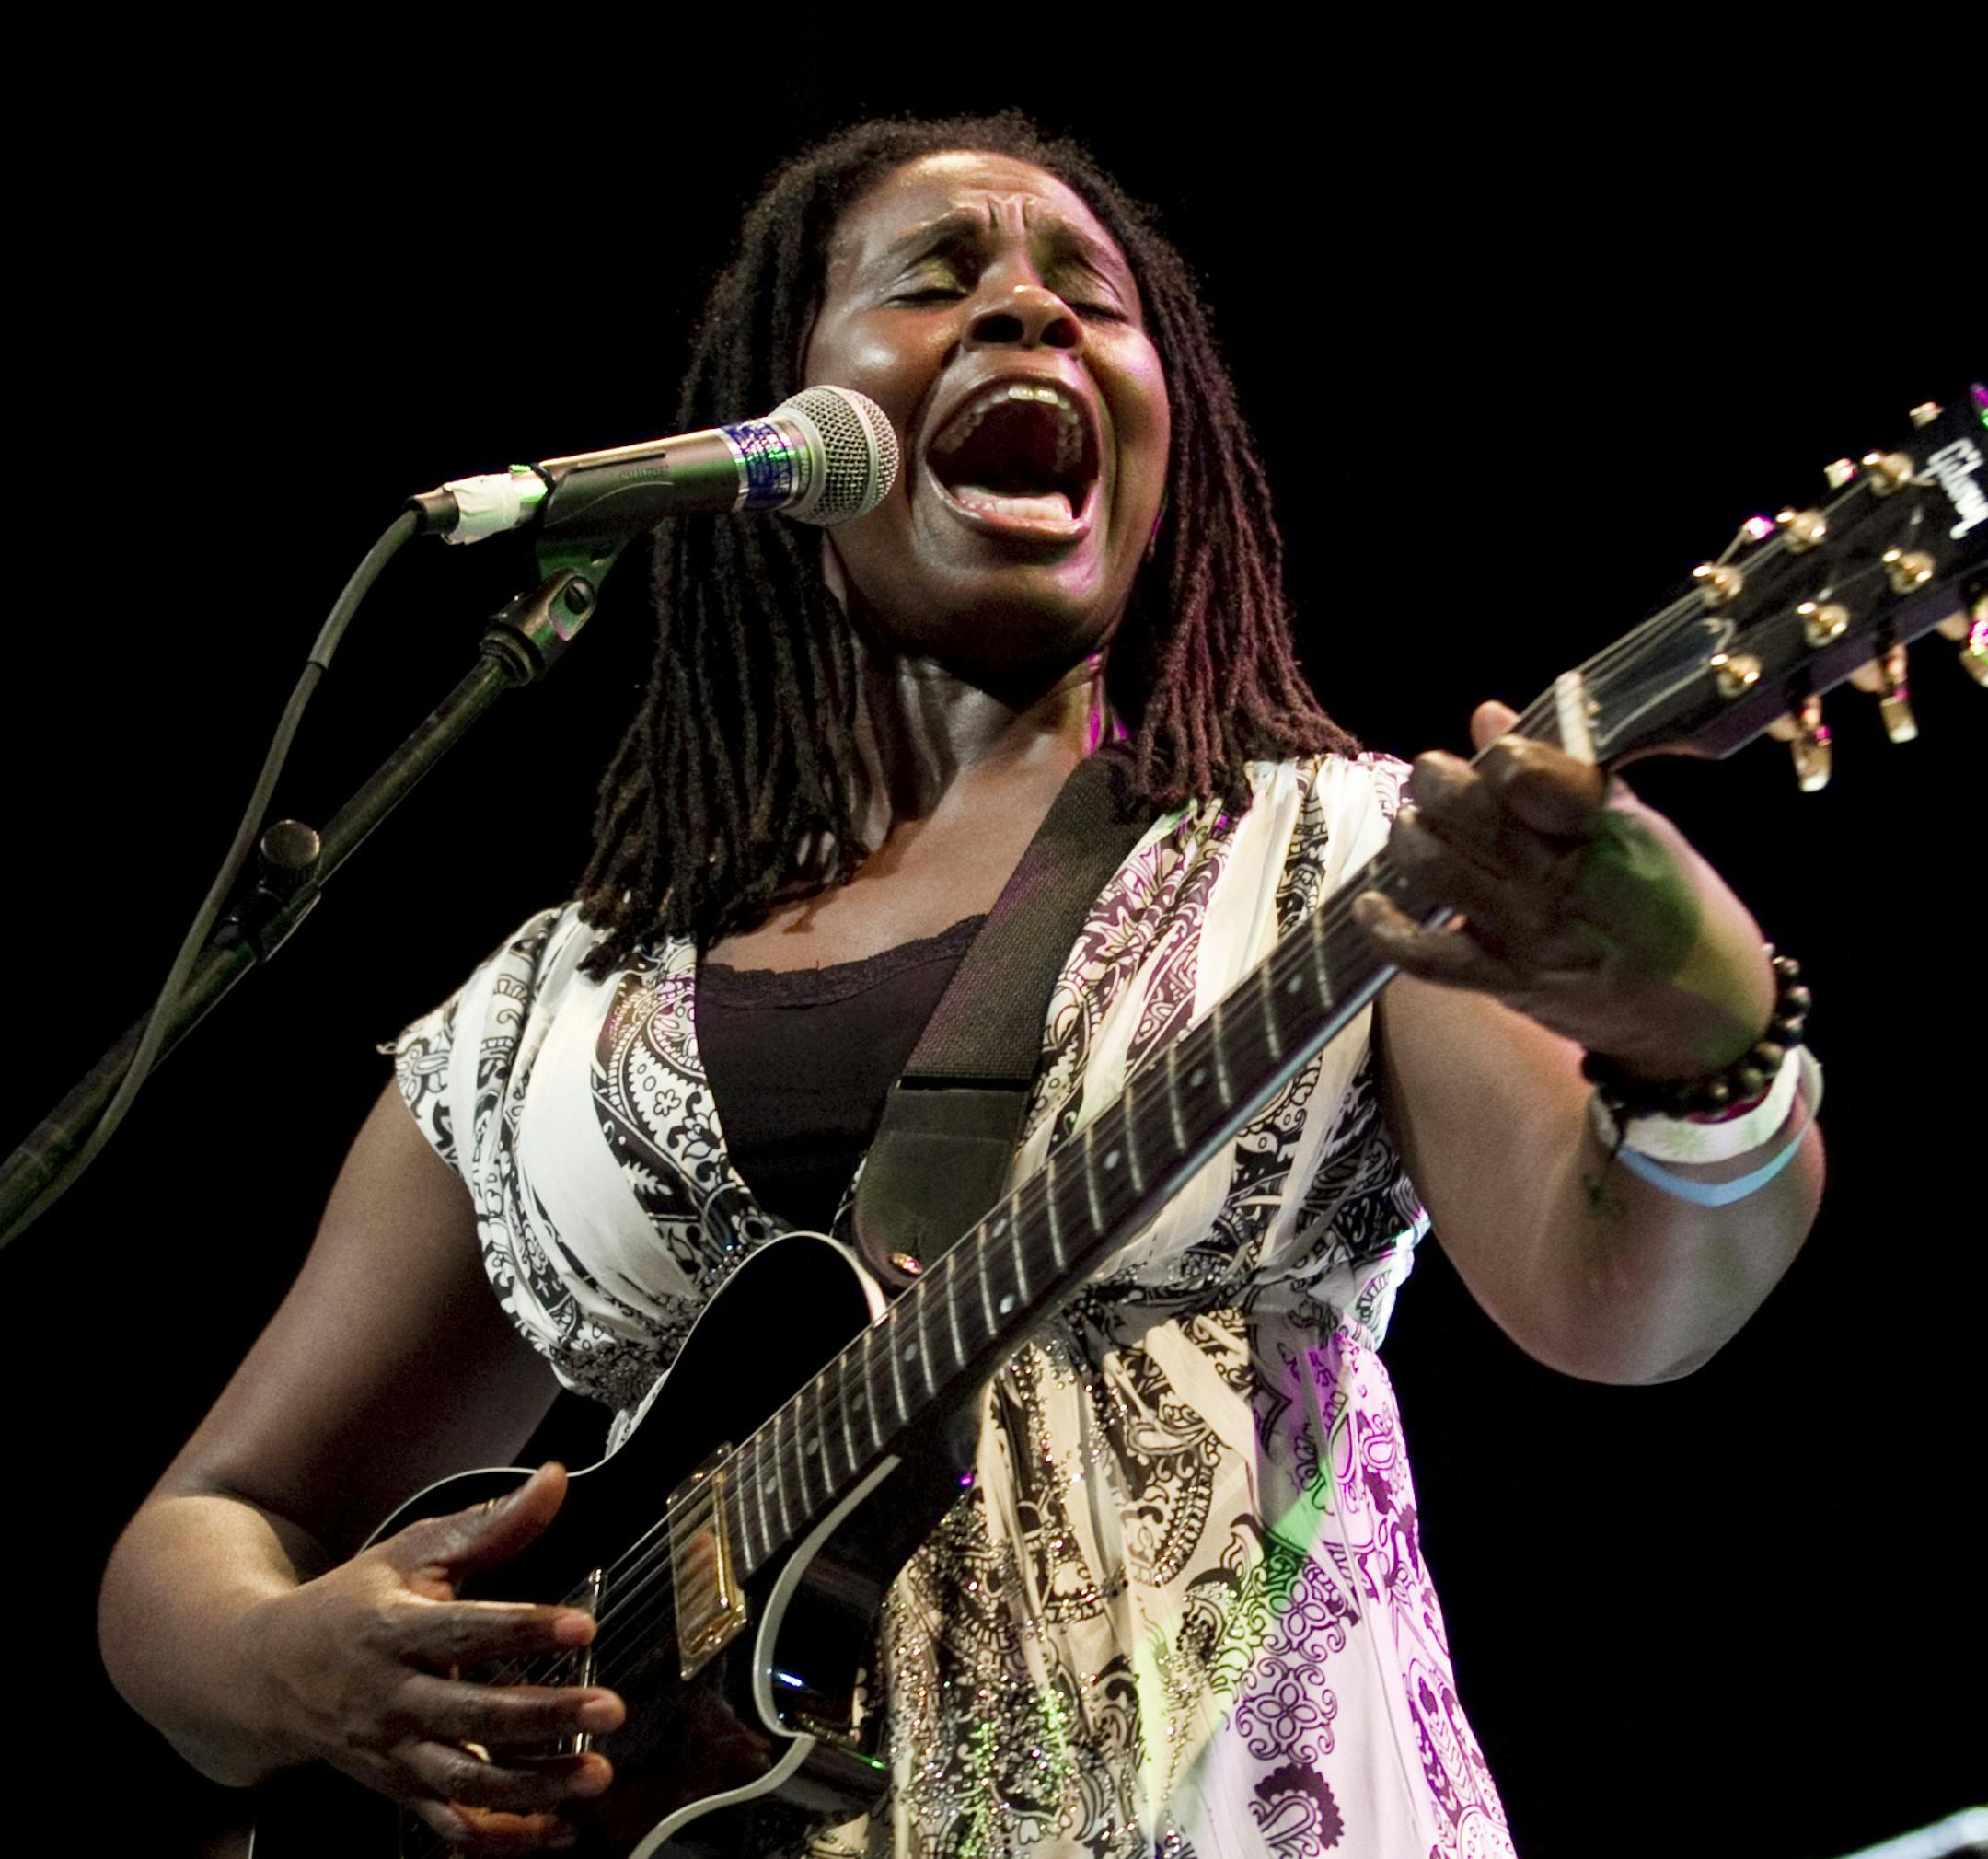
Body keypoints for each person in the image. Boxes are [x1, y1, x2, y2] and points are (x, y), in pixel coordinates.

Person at [97, 111, 1824, 1858]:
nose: (1031, 312)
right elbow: (213, 1523)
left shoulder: (1349, 868)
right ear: (781, 427)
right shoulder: (559, 1011)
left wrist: (1712, 1047)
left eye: (1094, 292)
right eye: (939, 280)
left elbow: (1623, 1305)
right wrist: (282, 1657)